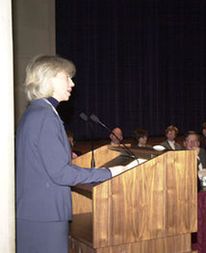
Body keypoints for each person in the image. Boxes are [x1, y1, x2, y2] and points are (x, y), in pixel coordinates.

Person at [16, 55, 127, 253]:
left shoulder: (35, 112)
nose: (72, 83)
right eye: (67, 77)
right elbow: (61, 174)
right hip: (46, 215)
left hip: (37, 212)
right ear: (50, 79)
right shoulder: (45, 116)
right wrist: (109, 172)